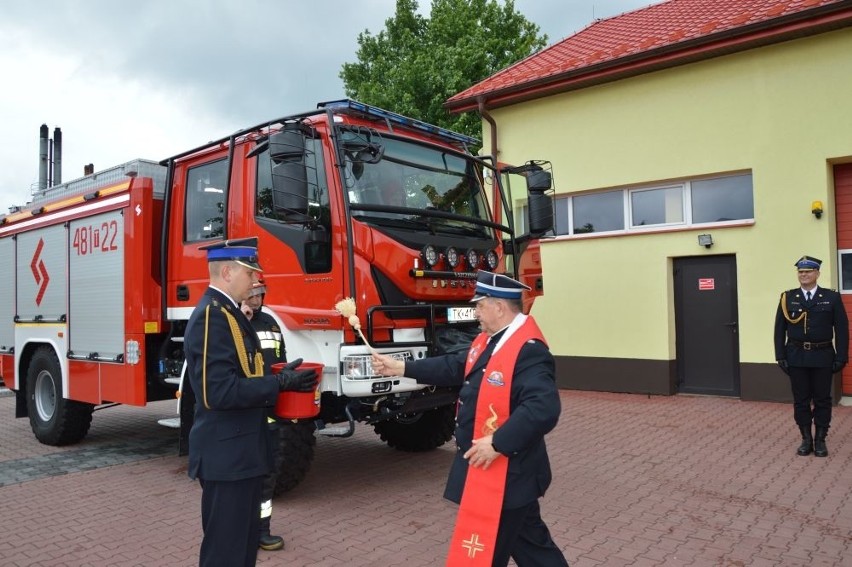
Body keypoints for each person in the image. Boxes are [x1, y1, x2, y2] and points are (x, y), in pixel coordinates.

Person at [371, 270, 569, 567]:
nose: (475, 311)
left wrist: (498, 442)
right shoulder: (491, 341)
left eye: (480, 304)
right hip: (503, 476)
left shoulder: (528, 351)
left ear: (499, 307)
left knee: (486, 553)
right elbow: (455, 366)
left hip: (506, 474)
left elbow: (543, 408)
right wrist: (401, 368)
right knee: (532, 547)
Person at [185, 238, 317, 566]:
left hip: (241, 454)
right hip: (227, 458)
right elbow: (218, 393)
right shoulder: (211, 316)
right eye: (250, 273)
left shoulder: (229, 312)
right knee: (225, 555)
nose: (256, 280)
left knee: (242, 553)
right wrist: (278, 383)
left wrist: (277, 376)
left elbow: (243, 375)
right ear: (227, 271)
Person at [774, 255, 848, 458]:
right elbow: (779, 329)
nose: (803, 275)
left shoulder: (831, 297)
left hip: (823, 356)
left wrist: (841, 356)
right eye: (800, 272)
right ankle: (806, 439)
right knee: (801, 400)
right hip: (796, 356)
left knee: (823, 399)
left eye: (807, 271)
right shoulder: (787, 298)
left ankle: (820, 440)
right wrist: (780, 356)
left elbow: (841, 329)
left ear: (817, 274)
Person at [241, 279, 287, 551]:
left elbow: (279, 359)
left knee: (269, 473)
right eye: (252, 294)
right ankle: (243, 529)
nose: (257, 300)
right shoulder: (234, 323)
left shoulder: (270, 322)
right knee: (244, 476)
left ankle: (262, 530)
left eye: (260, 294)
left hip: (271, 414)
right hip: (247, 413)